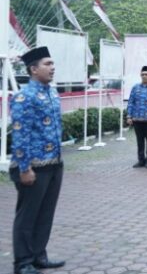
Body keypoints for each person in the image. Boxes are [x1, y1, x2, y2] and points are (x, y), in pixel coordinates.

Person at [10, 47, 66, 274]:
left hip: (54, 164)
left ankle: (39, 255)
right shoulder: (25, 97)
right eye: (47, 64)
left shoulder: (52, 93)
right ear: (33, 69)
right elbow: (20, 135)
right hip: (32, 167)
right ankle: (22, 262)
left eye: (53, 64)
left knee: (45, 213)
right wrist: (25, 168)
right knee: (27, 215)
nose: (52, 68)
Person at [127, 66, 147, 168]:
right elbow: (131, 102)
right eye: (143, 74)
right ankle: (141, 160)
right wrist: (129, 116)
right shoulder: (135, 88)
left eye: (146, 74)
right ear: (140, 75)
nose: (144, 76)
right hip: (137, 119)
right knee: (139, 141)